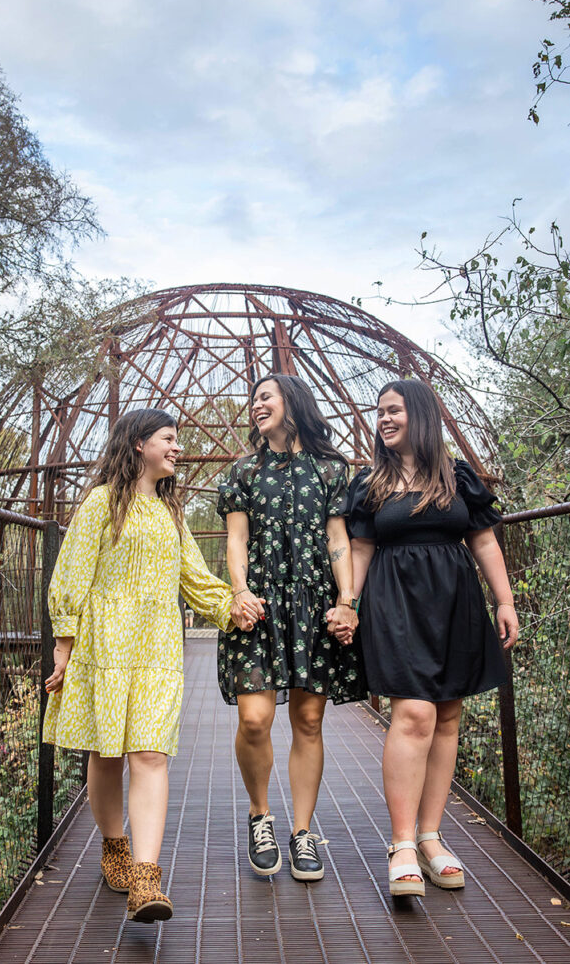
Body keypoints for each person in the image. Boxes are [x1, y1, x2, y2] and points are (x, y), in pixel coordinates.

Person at [43, 409, 249, 923]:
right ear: (138, 444)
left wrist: (234, 606)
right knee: (107, 753)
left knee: (151, 754)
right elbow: (70, 575)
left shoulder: (169, 514)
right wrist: (63, 647)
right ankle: (115, 846)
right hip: (105, 647)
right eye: (168, 439)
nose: (178, 448)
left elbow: (196, 579)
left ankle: (145, 878)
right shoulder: (100, 504)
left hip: (158, 649)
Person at [343, 379, 518, 897]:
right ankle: (400, 845)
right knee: (414, 712)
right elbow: (360, 551)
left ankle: (430, 837)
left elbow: (483, 538)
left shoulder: (456, 476)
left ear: (418, 414)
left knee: (447, 714)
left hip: (455, 601)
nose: (384, 419)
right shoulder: (371, 483)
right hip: (395, 602)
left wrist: (504, 600)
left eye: (393, 410)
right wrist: (348, 605)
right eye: (379, 413)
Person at [217, 374, 366, 882]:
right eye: (254, 399)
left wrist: (346, 601)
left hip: (311, 602)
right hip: (257, 602)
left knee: (308, 720)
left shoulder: (330, 468)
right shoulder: (242, 470)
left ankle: (303, 831)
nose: (256, 405)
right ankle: (260, 815)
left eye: (265, 397)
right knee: (255, 718)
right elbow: (236, 539)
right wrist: (238, 590)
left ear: (292, 402)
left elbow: (337, 538)